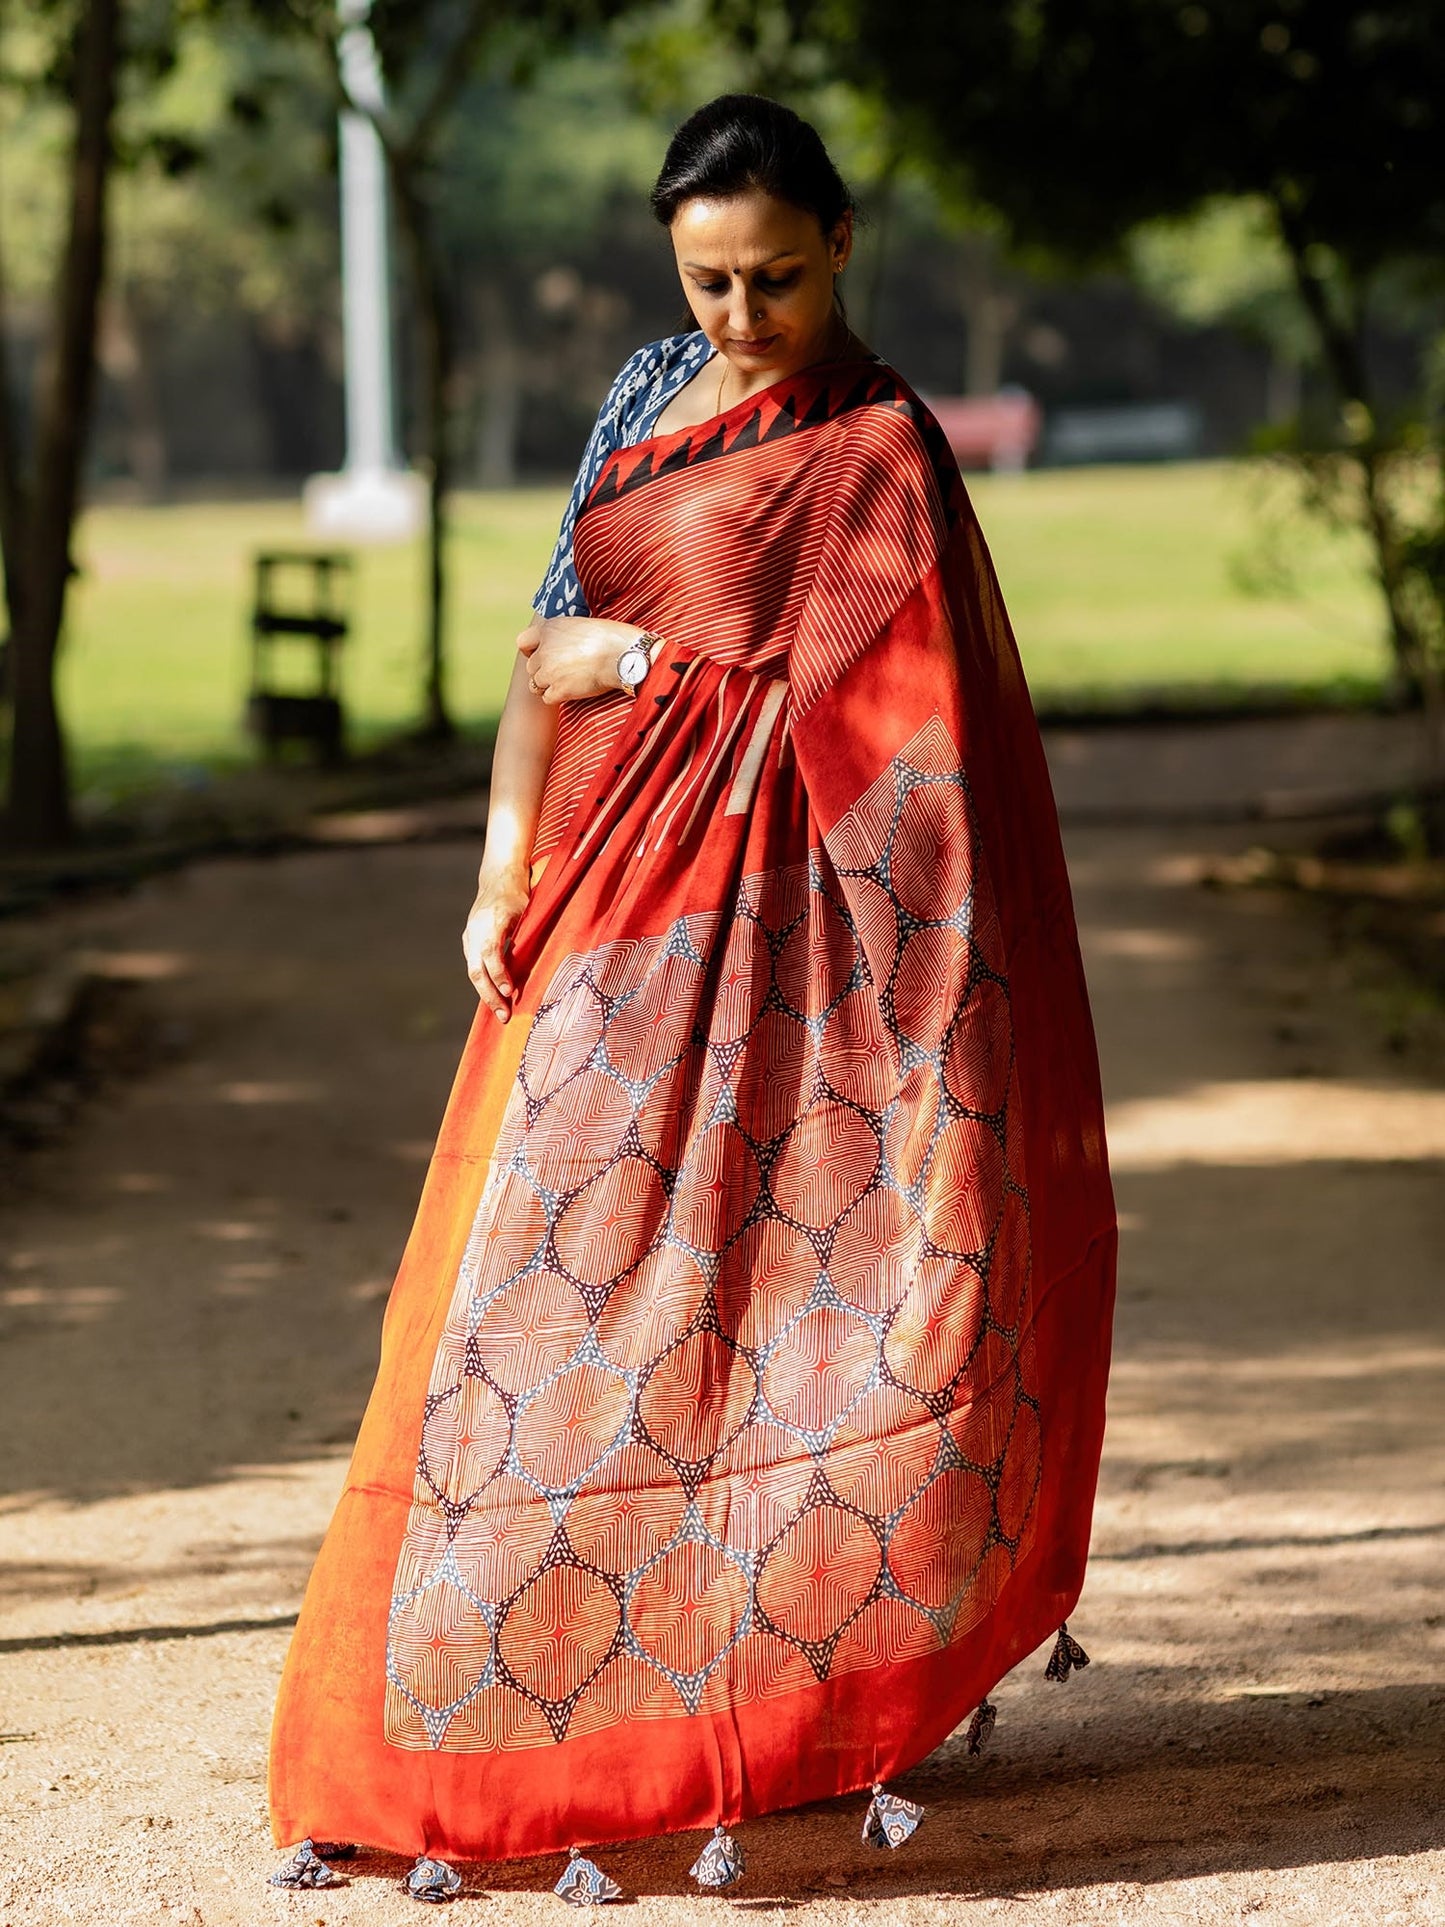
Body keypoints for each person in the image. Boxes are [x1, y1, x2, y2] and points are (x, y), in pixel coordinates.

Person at [267, 93, 1116, 1890]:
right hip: (602, 900)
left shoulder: (875, 447)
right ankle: (484, 1729)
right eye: (710, 279)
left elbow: (896, 734)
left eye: (777, 279)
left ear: (842, 244)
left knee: (749, 1319)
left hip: (786, 943)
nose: (742, 315)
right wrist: (501, 865)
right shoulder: (646, 391)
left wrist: (644, 664)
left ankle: (750, 1715)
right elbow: (543, 648)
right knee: (532, 1307)